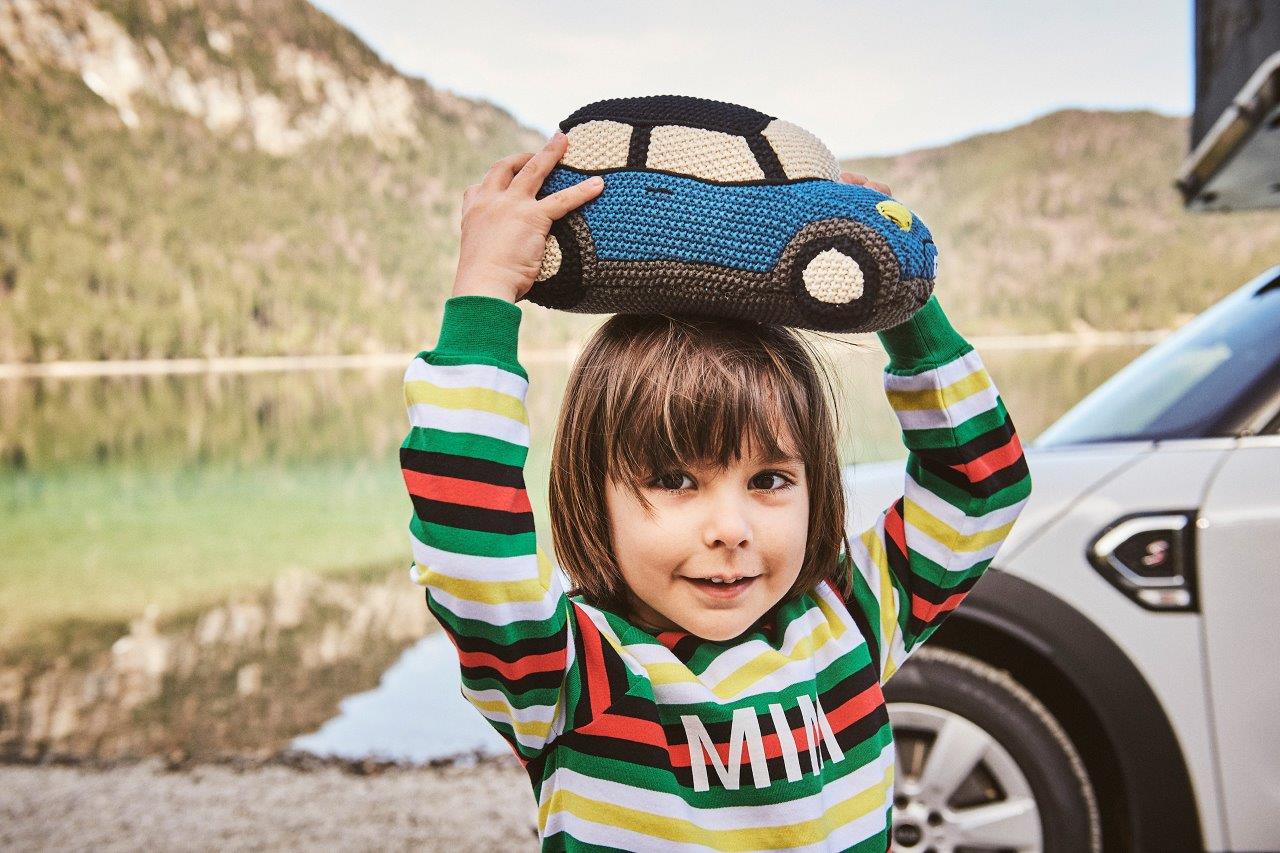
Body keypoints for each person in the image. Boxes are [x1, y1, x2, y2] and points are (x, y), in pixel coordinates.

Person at [399, 130, 1032, 851]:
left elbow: (981, 484)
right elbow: (470, 543)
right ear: (592, 497)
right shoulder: (576, 675)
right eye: (674, 480)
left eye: (769, 480)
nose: (730, 527)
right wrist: (485, 287)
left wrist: (902, 298)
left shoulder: (848, 618)